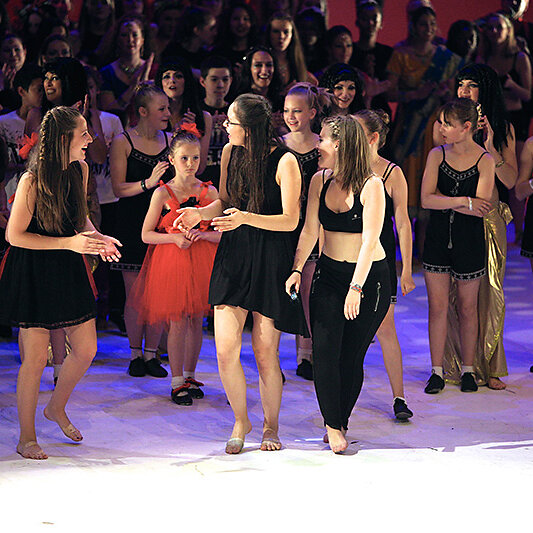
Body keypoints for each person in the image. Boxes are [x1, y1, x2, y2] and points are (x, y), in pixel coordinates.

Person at [175, 93, 307, 454]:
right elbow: (227, 201)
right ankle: (240, 419)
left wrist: (246, 218)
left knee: (265, 352)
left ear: (248, 127)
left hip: (270, 260)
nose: (225, 126)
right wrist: (201, 214)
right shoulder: (230, 153)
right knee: (225, 350)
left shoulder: (285, 161)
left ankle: (270, 425)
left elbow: (290, 220)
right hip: (234, 256)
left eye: (231, 122)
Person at [0, 106, 121, 460]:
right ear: (63, 139)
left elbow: (80, 219)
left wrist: (98, 238)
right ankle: (26, 437)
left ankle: (56, 407)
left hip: (68, 262)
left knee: (86, 349)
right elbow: (15, 236)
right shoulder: (32, 180)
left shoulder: (80, 169)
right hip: (35, 267)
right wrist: (70, 243)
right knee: (36, 357)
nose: (90, 139)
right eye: (83, 134)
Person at [285, 114, 390, 453]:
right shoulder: (319, 180)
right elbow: (309, 230)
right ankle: (332, 425)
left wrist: (356, 288)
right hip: (329, 274)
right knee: (325, 352)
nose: (317, 145)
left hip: (369, 278)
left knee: (351, 356)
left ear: (340, 145)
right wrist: (297, 268)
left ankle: (341, 419)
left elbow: (370, 242)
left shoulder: (372, 186)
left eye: (322, 139)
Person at [434, 63, 517, 390]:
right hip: (454, 217)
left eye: (471, 85)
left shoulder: (502, 127)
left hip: (489, 219)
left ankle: (491, 367)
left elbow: (510, 180)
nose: (464, 91)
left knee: (490, 294)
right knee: (453, 297)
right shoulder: (444, 125)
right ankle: (456, 365)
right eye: (461, 84)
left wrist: (491, 148)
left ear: (486, 90)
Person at [130, 129, 220, 405]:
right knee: (178, 321)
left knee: (196, 320)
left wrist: (203, 234)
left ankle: (190, 376)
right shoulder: (162, 193)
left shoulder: (209, 191)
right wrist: (174, 238)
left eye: (195, 158)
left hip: (202, 260)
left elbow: (222, 232)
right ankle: (177, 380)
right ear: (171, 159)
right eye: (184, 158)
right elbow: (146, 234)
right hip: (172, 261)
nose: (190, 163)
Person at [421, 98, 494, 394]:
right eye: (441, 122)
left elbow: (482, 208)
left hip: (470, 241)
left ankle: (468, 370)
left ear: (466, 127)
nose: (441, 129)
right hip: (437, 239)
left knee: (467, 307)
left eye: (447, 124)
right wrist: (464, 200)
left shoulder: (485, 160)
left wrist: (445, 200)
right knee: (437, 307)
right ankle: (437, 371)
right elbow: (426, 200)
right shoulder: (436, 155)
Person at [387, 5, 463, 257]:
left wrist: (445, 93)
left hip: (436, 127)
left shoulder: (446, 57)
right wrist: (415, 94)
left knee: (431, 179)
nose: (428, 29)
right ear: (413, 26)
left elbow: (456, 95)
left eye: (432, 24)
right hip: (410, 126)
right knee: (408, 181)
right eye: (423, 24)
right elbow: (390, 92)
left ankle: (426, 249)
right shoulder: (401, 54)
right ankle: (405, 250)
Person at [354, 109, 415, 420]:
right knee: (349, 331)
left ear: (372, 138)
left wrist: (407, 269)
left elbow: (402, 222)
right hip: (347, 258)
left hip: (380, 259)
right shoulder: (342, 169)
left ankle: (399, 397)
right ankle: (341, 402)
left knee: (385, 327)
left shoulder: (392, 173)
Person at [109, 83, 173, 378]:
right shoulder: (122, 141)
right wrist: (149, 182)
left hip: (161, 225)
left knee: (158, 293)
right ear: (143, 112)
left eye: (168, 108)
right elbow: (118, 188)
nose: (168, 113)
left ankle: (152, 354)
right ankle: (135, 354)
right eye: (162, 109)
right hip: (131, 223)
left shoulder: (171, 141)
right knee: (134, 294)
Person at [282, 81, 330, 380]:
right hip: (283, 224)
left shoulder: (321, 146)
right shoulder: (279, 145)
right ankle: (271, 356)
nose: (291, 116)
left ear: (312, 112)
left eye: (297, 111)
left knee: (308, 291)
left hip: (312, 224)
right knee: (280, 290)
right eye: (287, 110)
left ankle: (306, 354)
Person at [480, 12, 531, 243]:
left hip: (515, 119)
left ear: (508, 30)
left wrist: (510, 85)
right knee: (490, 172)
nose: (494, 32)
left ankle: (519, 230)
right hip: (491, 119)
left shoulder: (519, 57)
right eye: (490, 28)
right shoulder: (484, 56)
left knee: (515, 175)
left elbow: (528, 94)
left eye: (498, 27)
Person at [154, 57, 212, 175]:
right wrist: (175, 134)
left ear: (187, 81)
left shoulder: (204, 117)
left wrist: (192, 135)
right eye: (166, 76)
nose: (172, 81)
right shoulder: (153, 116)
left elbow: (200, 168)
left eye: (178, 76)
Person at [99, 16, 154, 115]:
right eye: (124, 35)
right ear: (117, 40)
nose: (130, 39)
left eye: (135, 35)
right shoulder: (106, 73)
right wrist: (133, 86)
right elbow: (108, 111)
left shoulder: (153, 69)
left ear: (142, 40)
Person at [199, 55, 233, 189]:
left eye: (225, 79)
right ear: (203, 81)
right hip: (201, 181)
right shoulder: (196, 111)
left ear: (231, 80)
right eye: (214, 79)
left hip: (230, 182)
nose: (220, 85)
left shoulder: (236, 111)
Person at [264, 12, 316, 92]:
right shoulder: (261, 60)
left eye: (286, 32)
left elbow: (313, 83)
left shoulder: (297, 62)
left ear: (292, 35)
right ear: (269, 34)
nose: (281, 36)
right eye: (276, 31)